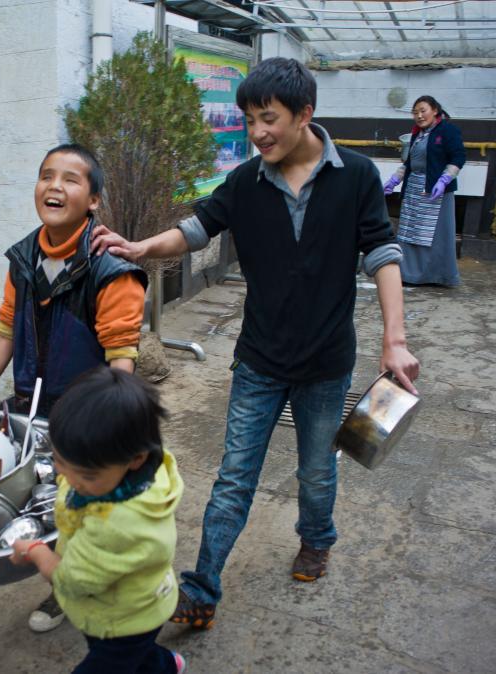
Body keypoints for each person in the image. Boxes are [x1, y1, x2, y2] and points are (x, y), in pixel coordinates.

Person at [91, 57, 420, 629]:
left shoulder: (357, 175)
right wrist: (142, 248)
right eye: (249, 120)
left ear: (304, 114)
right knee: (234, 476)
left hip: (326, 363)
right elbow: (196, 229)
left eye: (268, 118)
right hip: (259, 361)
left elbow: (383, 254)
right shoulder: (247, 182)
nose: (257, 132)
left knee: (316, 470)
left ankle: (316, 538)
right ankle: (202, 588)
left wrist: (395, 340)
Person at [0, 143, 148, 632]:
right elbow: (6, 331)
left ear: (93, 200)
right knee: (46, 504)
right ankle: (70, 580)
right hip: (32, 409)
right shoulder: (23, 258)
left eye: (70, 179)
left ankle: (85, 591)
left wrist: (111, 424)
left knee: (87, 510)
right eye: (46, 176)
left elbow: (121, 355)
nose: (54, 187)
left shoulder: (112, 269)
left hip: (85, 415)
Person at [10, 367, 185, 674]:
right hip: (141, 598)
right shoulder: (140, 467)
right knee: (138, 657)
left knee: (114, 658)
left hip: (124, 620)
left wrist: (37, 552)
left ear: (137, 458)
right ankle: (166, 666)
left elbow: (71, 581)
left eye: (87, 475)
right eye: (59, 462)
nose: (69, 479)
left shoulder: (116, 524)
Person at [383, 95, 466, 287]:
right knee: (409, 231)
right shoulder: (417, 134)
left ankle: (434, 275)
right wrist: (395, 179)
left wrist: (444, 180)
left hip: (434, 190)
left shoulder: (447, 130)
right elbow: (410, 162)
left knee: (429, 234)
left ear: (435, 110)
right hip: (414, 187)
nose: (419, 116)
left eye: (423, 111)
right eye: (415, 112)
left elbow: (459, 157)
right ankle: (407, 273)